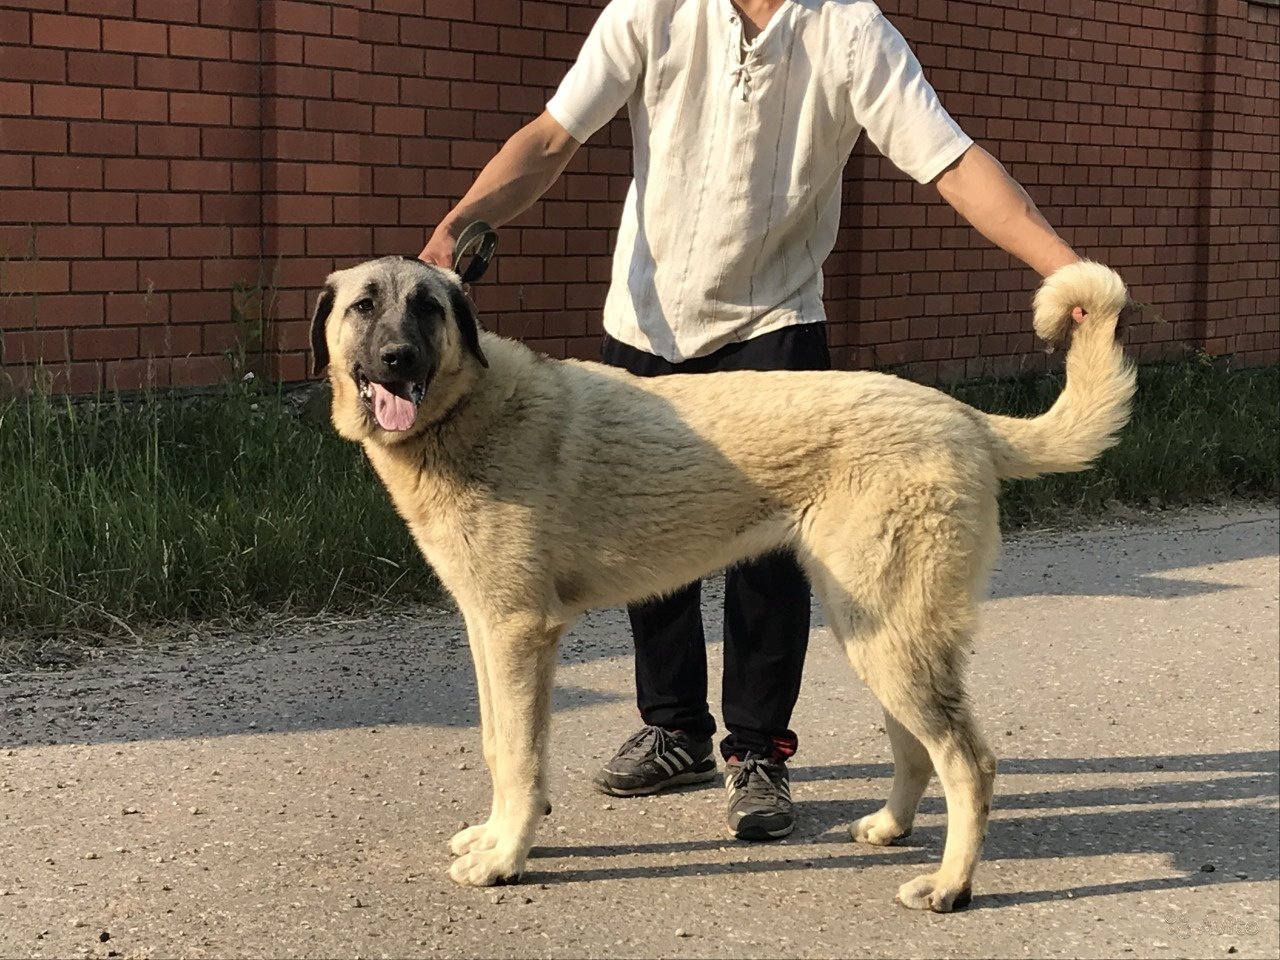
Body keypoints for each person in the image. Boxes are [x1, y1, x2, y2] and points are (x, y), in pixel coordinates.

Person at [420, 0, 1085, 842]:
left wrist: (1067, 270)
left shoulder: (850, 29)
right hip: (645, 320)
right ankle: (673, 729)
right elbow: (552, 137)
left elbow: (950, 163)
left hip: (771, 324)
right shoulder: (649, 11)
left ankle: (758, 749)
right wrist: (448, 239)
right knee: (630, 539)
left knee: (770, 566)